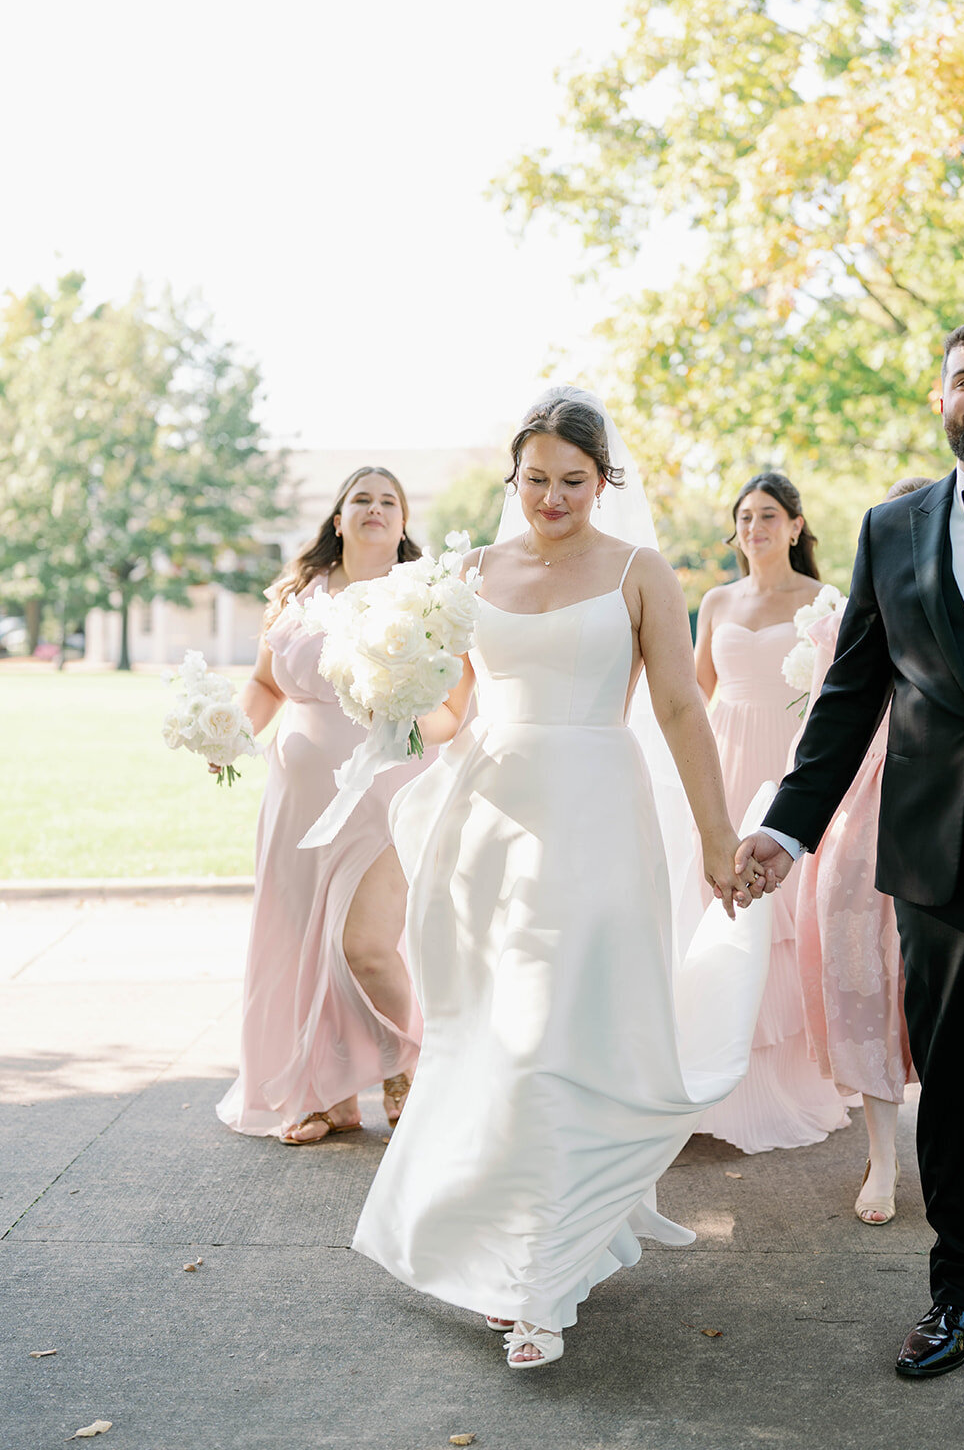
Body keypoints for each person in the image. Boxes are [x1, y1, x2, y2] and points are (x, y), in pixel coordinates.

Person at [352, 387, 771, 1370]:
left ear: (603, 480)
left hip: (590, 816)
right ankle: (503, 1241)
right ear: (515, 477)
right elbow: (454, 710)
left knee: (550, 1033)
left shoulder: (637, 572)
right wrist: (393, 702)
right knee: (496, 1038)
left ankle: (535, 1284)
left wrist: (715, 837)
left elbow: (675, 705)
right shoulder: (466, 572)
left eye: (570, 481)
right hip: (485, 822)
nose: (549, 496)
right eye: (534, 478)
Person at [741, 318, 964, 1449]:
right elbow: (847, 698)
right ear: (940, 400)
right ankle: (963, 1294)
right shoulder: (889, 529)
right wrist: (781, 834)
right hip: (929, 869)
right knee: (953, 1101)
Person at [216, 467, 437, 1144]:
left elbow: (455, 703)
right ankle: (317, 1094)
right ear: (337, 520)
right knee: (295, 944)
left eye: (388, 501)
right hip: (297, 800)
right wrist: (225, 732)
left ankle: (405, 1064)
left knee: (364, 948)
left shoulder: (420, 600)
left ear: (402, 525)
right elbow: (262, 685)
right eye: (359, 499)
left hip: (382, 793)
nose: (374, 509)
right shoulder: (295, 599)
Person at [690, 473, 849, 1152]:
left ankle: (777, 1075)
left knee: (778, 923)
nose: (753, 527)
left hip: (786, 765)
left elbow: (839, 692)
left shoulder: (822, 601)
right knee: (713, 910)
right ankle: (709, 1068)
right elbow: (697, 690)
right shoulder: (716, 599)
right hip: (723, 757)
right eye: (744, 517)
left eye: (767, 515)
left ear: (794, 525)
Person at [792, 476, 931, 1225]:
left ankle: (947, 1150)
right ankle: (882, 1155)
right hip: (858, 814)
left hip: (942, 808)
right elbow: (826, 728)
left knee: (938, 989)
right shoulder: (831, 626)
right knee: (866, 987)